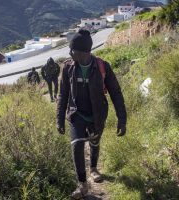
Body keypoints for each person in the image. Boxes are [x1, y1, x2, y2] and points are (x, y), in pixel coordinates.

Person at [56, 29, 127, 199]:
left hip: (97, 114)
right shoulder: (68, 67)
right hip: (76, 114)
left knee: (94, 142)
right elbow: (63, 94)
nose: (70, 53)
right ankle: (82, 185)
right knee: (77, 146)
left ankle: (94, 168)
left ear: (82, 52)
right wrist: (59, 119)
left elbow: (116, 93)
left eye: (72, 50)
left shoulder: (103, 66)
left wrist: (122, 119)